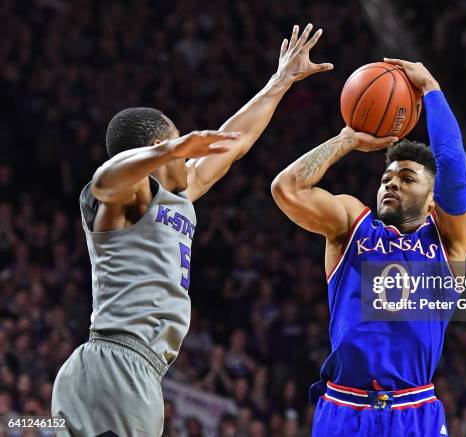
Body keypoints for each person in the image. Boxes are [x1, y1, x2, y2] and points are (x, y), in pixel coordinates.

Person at [51, 24, 333, 436]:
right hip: (116, 364)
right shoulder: (125, 201)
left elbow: (234, 142)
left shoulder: (178, 196)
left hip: (129, 369)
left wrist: (281, 80)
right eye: (177, 144)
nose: (187, 153)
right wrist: (170, 149)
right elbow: (104, 181)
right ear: (154, 153)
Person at [271, 59, 466, 436]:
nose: (391, 184)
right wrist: (347, 139)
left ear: (432, 200)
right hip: (343, 408)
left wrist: (430, 87)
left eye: (407, 178)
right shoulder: (353, 226)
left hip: (414, 410)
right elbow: (286, 189)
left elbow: (451, 162)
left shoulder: (448, 242)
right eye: (387, 177)